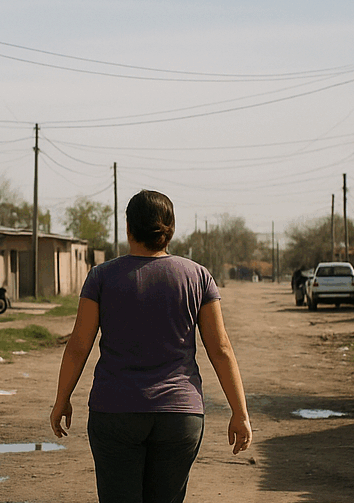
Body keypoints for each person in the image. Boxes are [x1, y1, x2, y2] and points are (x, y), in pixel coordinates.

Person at [49, 189, 251, 503]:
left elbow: (78, 345)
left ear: (128, 228)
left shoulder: (101, 277)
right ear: (170, 229)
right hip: (180, 416)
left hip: (115, 413)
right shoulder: (198, 277)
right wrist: (240, 413)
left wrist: (62, 399)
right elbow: (221, 349)